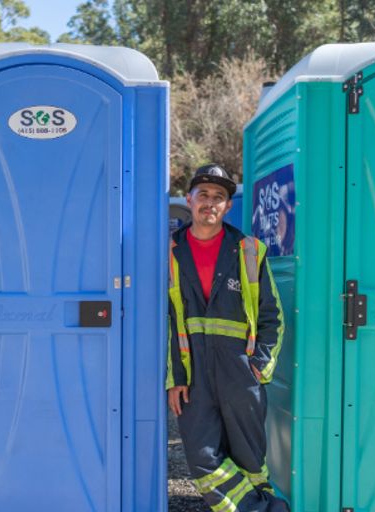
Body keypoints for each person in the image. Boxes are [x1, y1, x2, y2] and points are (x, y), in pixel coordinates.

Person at [167, 164, 287, 512]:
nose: (210, 202)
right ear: (189, 200)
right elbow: (168, 320)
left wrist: (260, 368)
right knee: (203, 460)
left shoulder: (250, 250)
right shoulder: (169, 252)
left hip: (240, 371)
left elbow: (272, 315)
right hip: (193, 374)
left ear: (228, 206)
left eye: (219, 197)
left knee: (250, 459)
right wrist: (175, 377)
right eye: (203, 194)